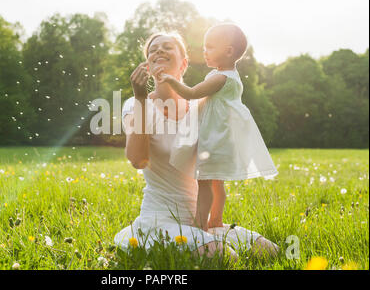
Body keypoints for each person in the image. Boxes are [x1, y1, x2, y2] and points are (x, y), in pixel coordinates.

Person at [114, 31, 279, 259]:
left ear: (183, 64)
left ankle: (206, 237)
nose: (159, 50)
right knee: (224, 256)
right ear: (148, 65)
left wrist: (214, 220)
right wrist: (141, 98)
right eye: (153, 49)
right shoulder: (135, 104)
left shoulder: (203, 106)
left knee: (269, 251)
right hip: (160, 219)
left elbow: (216, 162)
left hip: (200, 221)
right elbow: (137, 160)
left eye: (167, 47)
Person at [155, 23, 279, 232]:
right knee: (216, 183)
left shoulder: (222, 78)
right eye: (204, 47)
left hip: (215, 139)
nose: (204, 51)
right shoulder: (225, 75)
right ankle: (216, 221)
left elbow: (192, 94)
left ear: (229, 51)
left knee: (205, 182)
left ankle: (201, 224)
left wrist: (170, 80)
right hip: (221, 138)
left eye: (210, 47)